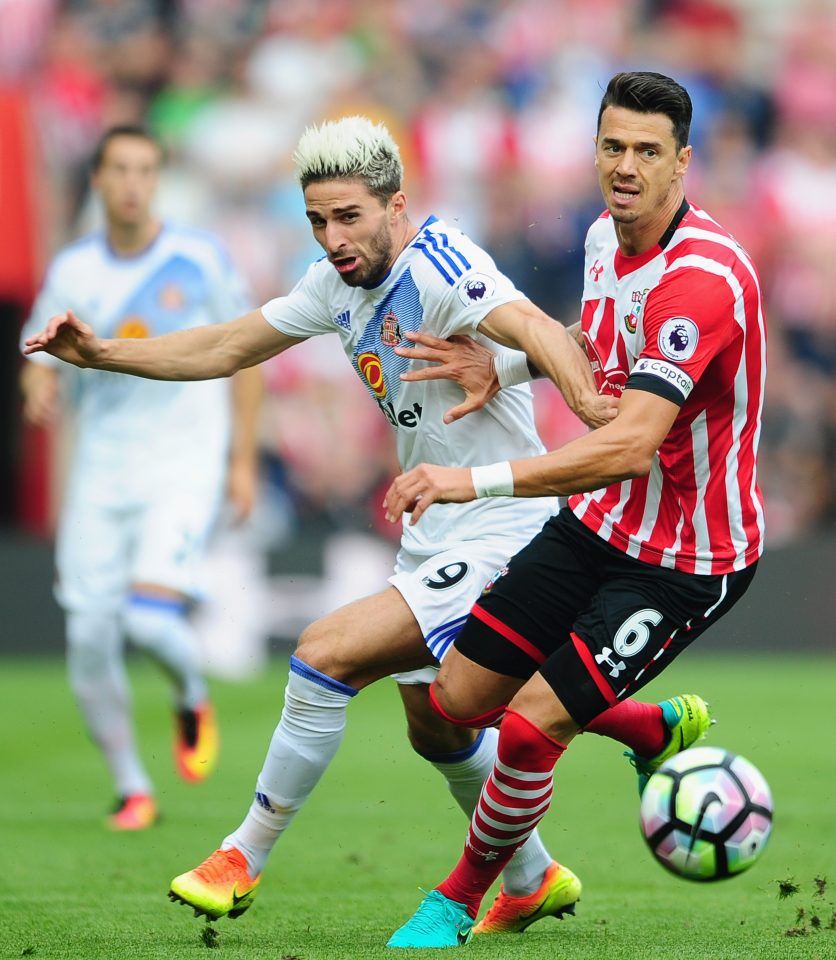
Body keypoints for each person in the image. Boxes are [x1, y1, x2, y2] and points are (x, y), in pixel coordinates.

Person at [24, 115, 705, 934]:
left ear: (396, 206)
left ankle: (243, 854)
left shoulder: (440, 261)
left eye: (348, 217)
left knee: (324, 654)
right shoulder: (332, 283)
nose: (333, 237)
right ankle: (541, 864)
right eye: (317, 220)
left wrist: (587, 400)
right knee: (439, 731)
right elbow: (228, 345)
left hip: (506, 530)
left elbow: (527, 326)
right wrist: (102, 356)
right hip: (435, 535)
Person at [382, 70, 767, 948]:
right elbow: (598, 344)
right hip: (604, 525)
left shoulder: (704, 279)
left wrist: (466, 481)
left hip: (687, 559)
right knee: (458, 697)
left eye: (647, 152)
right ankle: (649, 727)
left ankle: (463, 897)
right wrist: (503, 367)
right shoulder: (603, 238)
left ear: (682, 165)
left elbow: (630, 442)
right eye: (613, 146)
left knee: (528, 728)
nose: (625, 166)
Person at [19, 125, 263, 830]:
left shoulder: (199, 259)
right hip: (99, 467)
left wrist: (242, 458)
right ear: (97, 180)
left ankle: (190, 693)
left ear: (157, 180)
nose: (132, 182)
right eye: (119, 169)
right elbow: (40, 348)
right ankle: (132, 786)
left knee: (148, 619)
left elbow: (245, 352)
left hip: (183, 460)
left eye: (145, 169)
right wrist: (37, 383)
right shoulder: (73, 271)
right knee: (90, 635)